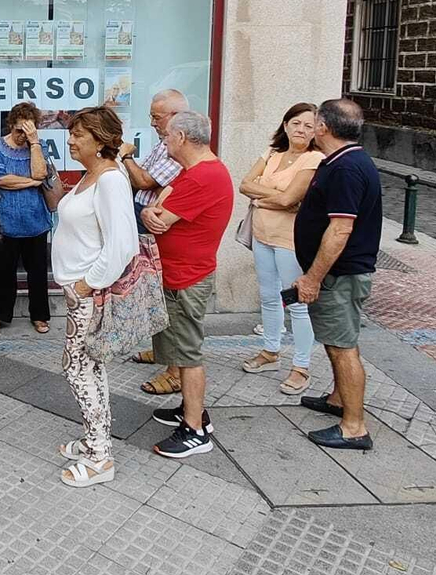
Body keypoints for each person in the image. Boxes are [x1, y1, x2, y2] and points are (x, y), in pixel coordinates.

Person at [51, 107, 138, 487]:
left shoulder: (110, 180)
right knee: (90, 367)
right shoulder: (93, 174)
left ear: (100, 141)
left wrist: (86, 285)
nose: (70, 140)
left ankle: (101, 456)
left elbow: (122, 244)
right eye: (71, 133)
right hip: (80, 291)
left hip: (87, 294)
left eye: (78, 135)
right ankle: (94, 440)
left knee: (77, 368)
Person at [141, 111, 233, 459]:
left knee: (187, 353)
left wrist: (154, 213)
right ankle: (189, 410)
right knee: (180, 348)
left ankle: (195, 429)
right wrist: (154, 211)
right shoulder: (193, 171)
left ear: (181, 138)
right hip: (182, 272)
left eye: (165, 136)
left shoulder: (202, 177)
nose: (163, 142)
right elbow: (158, 205)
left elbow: (159, 218)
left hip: (186, 277)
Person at [293, 98, 382, 452]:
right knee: (337, 340)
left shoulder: (347, 168)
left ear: (323, 128)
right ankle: (337, 398)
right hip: (340, 273)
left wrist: (313, 277)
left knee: (343, 347)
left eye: (314, 122)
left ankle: (354, 426)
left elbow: (340, 230)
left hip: (341, 275)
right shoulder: (343, 161)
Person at [236, 103, 323, 395]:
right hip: (262, 234)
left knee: (296, 303)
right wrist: (273, 197)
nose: (301, 130)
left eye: (309, 126)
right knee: (269, 297)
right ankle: (271, 351)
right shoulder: (272, 154)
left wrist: (263, 198)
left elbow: (290, 200)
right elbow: (245, 184)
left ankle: (301, 366)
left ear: (316, 132)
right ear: (285, 125)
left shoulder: (314, 159)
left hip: (290, 240)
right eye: (296, 123)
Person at [0, 101, 54, 339]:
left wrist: (35, 143)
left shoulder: (37, 146)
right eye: (19, 131)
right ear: (11, 124)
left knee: (37, 271)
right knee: (3, 270)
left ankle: (40, 315)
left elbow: (40, 173)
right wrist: (32, 183)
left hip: (36, 219)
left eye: (28, 131)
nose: (22, 136)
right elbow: (0, 179)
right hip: (7, 219)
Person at [121, 89, 188, 215]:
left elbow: (143, 181)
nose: (152, 123)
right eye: (151, 117)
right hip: (139, 206)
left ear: (177, 116)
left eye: (157, 118)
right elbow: (136, 177)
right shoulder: (163, 142)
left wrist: (126, 156)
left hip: (151, 212)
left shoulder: (180, 145)